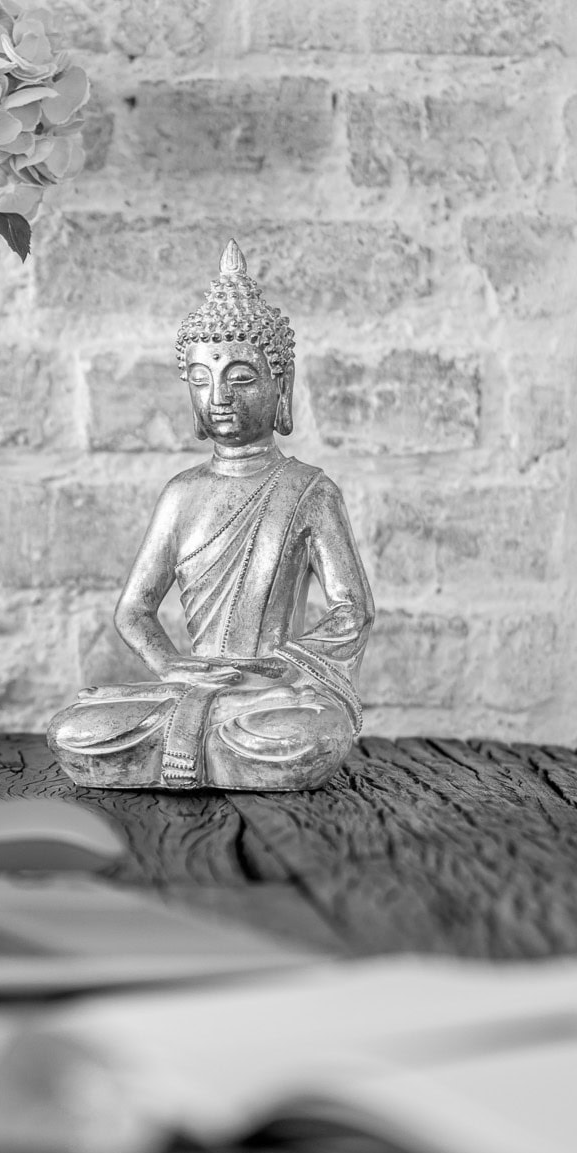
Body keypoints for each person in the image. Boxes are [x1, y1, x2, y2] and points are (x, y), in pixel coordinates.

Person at [48, 239, 374, 792]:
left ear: (281, 387)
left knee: (311, 736)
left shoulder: (310, 491)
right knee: (74, 729)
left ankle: (210, 735)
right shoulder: (182, 493)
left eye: (241, 379)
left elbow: (353, 611)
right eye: (201, 380)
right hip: (190, 687)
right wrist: (171, 666)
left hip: (268, 693)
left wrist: (279, 667)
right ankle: (206, 738)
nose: (219, 396)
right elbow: (134, 610)